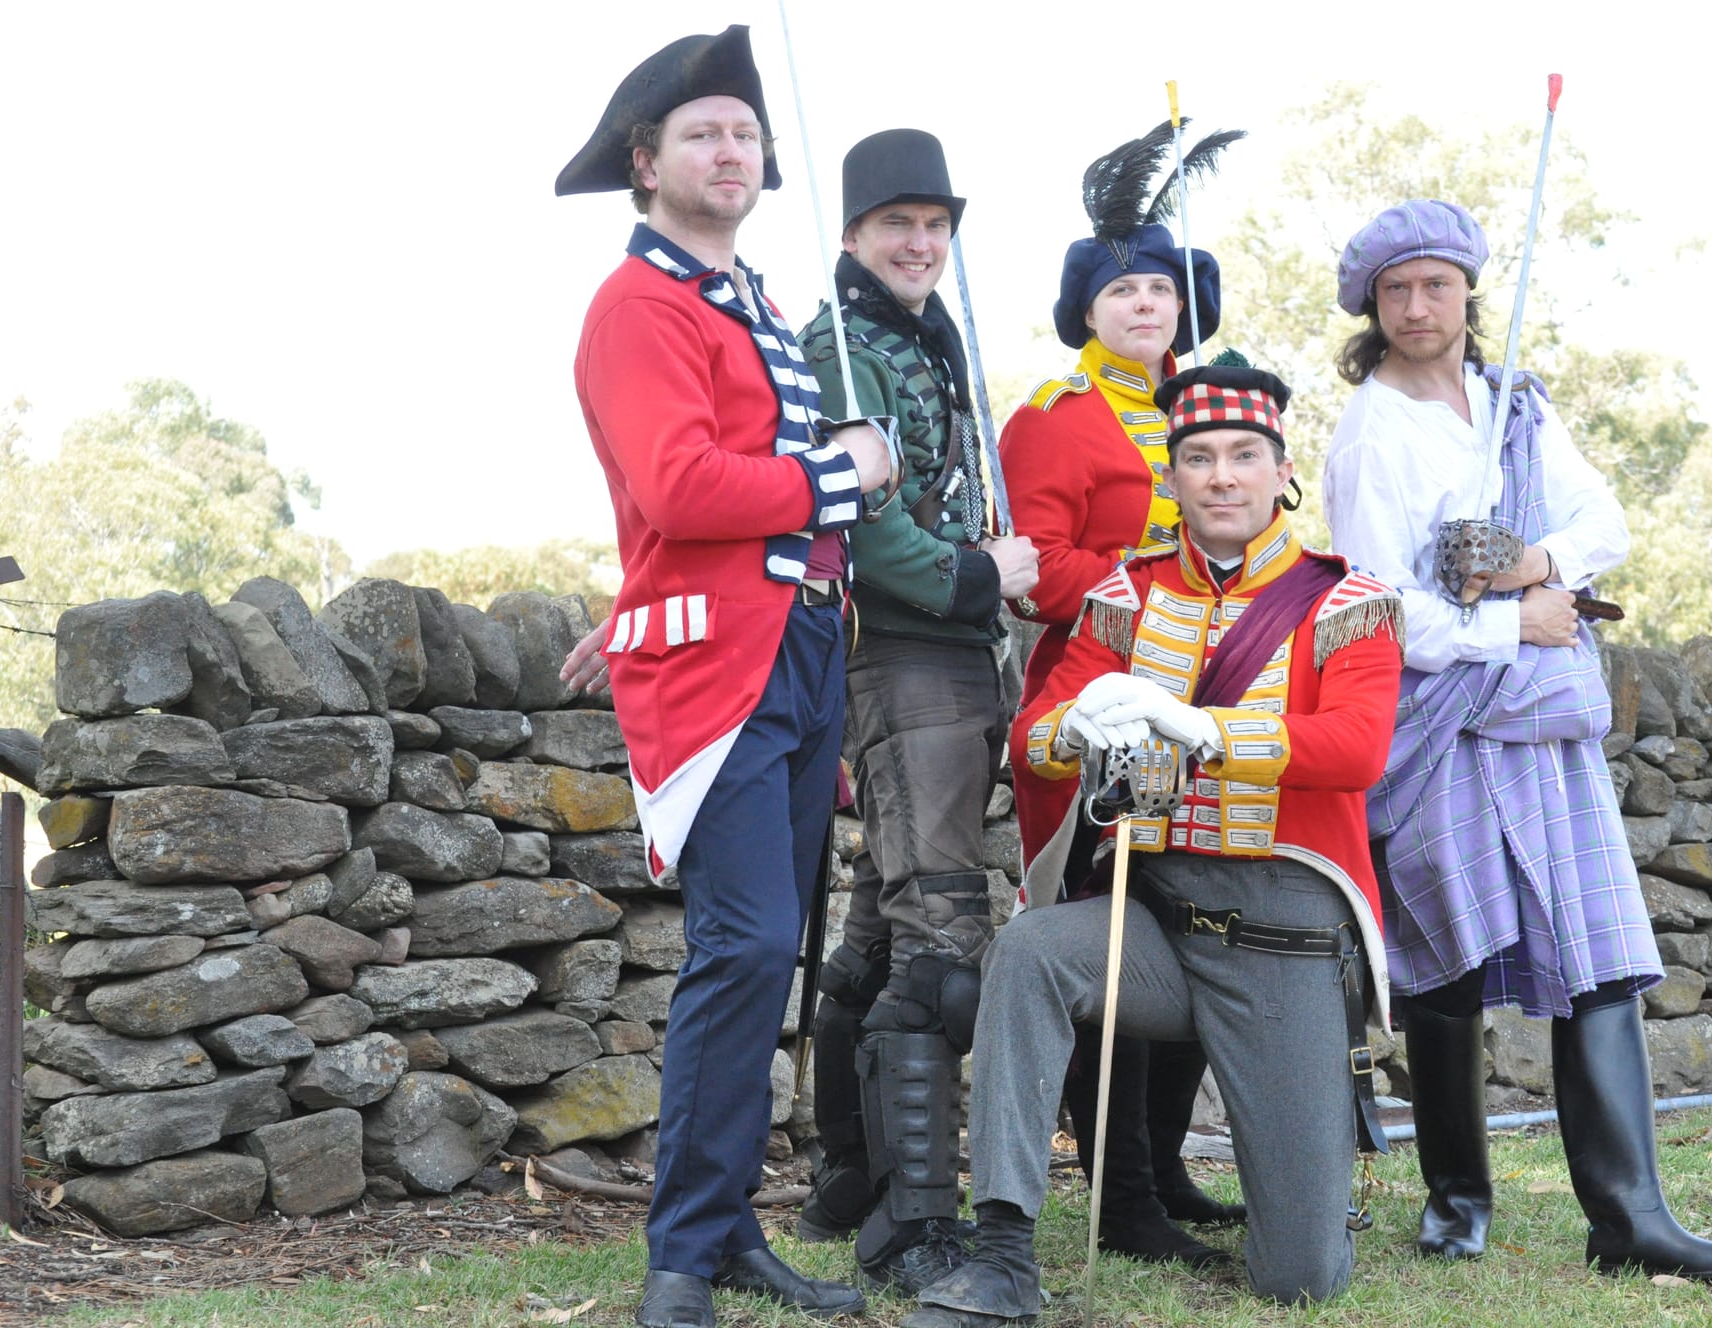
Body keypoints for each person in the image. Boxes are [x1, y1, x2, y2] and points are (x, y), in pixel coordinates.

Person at [903, 358, 1404, 1328]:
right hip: (1158, 927)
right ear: (1170, 478)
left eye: (1242, 455)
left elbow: (1355, 749)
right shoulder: (1122, 600)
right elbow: (1033, 737)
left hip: (1280, 944)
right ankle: (1003, 1246)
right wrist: (1076, 727)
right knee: (1028, 952)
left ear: (1279, 470)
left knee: (1299, 1274)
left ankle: (1307, 1197)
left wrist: (1204, 730)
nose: (1221, 475)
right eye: (1199, 457)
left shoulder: (1346, 602)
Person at [1321, 198, 1712, 1280]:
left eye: (1435, 284)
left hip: (1541, 726)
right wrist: (1507, 621)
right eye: (1395, 291)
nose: (1417, 306)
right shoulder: (1367, 436)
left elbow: (1601, 521)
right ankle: (1454, 1197)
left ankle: (1628, 1217)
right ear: (1371, 310)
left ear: (1470, 291)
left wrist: (1534, 563)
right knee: (1447, 963)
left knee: (1598, 957)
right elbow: (1380, 607)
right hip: (1444, 725)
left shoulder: (1513, 403)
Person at [554, 26, 897, 1328]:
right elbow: (678, 486)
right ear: (645, 163)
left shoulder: (744, 299)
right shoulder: (636, 305)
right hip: (722, 662)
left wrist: (833, 472)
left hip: (806, 641)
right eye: (702, 133)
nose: (731, 151)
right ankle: (683, 1262)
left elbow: (726, 496)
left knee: (774, 956)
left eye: (745, 134)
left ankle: (727, 1233)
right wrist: (839, 470)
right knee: (745, 945)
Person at [789, 128, 1041, 1294]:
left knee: (882, 933)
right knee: (944, 942)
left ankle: (848, 1178)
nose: (919, 242)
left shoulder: (922, 338)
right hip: (907, 651)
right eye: (896, 224)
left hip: (952, 660)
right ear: (851, 235)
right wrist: (974, 578)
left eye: (934, 224)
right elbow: (865, 513)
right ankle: (915, 1221)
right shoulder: (841, 343)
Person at [997, 124, 1244, 1270]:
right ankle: (1120, 1195)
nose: (1143, 305)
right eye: (1120, 290)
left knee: (1193, 910)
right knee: (1111, 926)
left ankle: (1164, 1163)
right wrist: (1136, 584)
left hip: (1208, 697)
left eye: (1158, 286)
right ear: (1085, 308)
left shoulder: (1211, 412)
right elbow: (1034, 562)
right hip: (1099, 690)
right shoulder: (1054, 413)